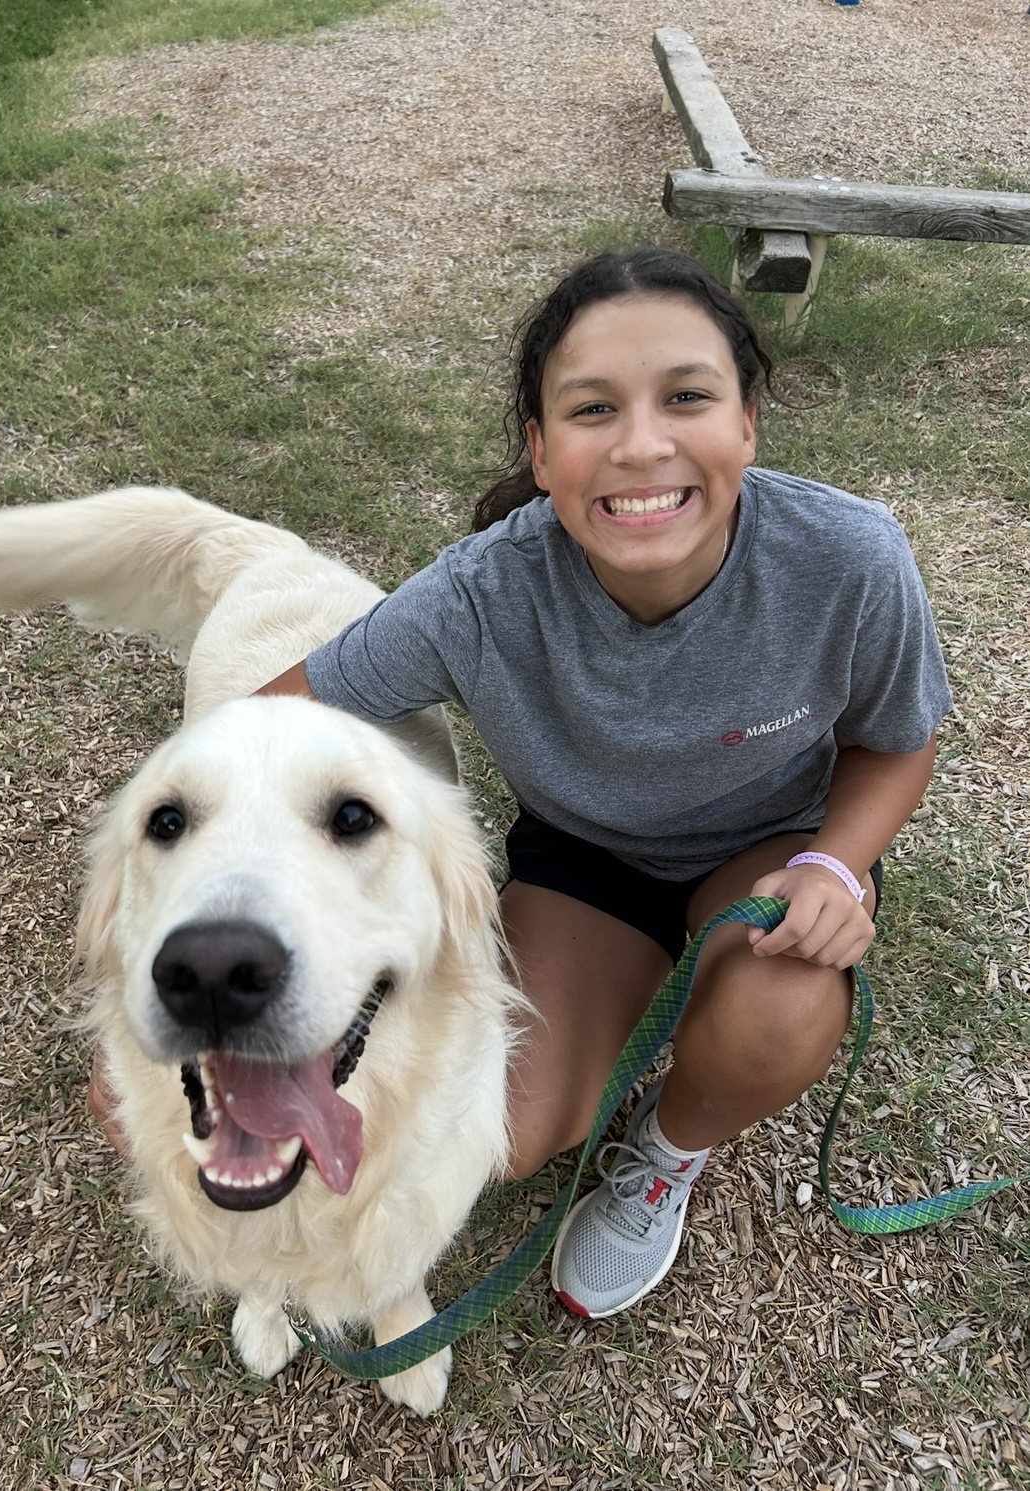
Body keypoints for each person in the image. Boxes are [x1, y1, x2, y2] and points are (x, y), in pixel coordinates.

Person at [90, 245, 950, 1319]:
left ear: (748, 423)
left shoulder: (850, 558)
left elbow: (897, 742)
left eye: (687, 397)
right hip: (586, 862)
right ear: (542, 451)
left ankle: (667, 1150)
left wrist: (837, 865)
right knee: (502, 1132)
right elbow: (266, 727)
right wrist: (172, 979)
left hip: (775, 848)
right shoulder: (480, 593)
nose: (641, 445)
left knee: (781, 1008)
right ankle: (632, 1012)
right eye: (593, 410)